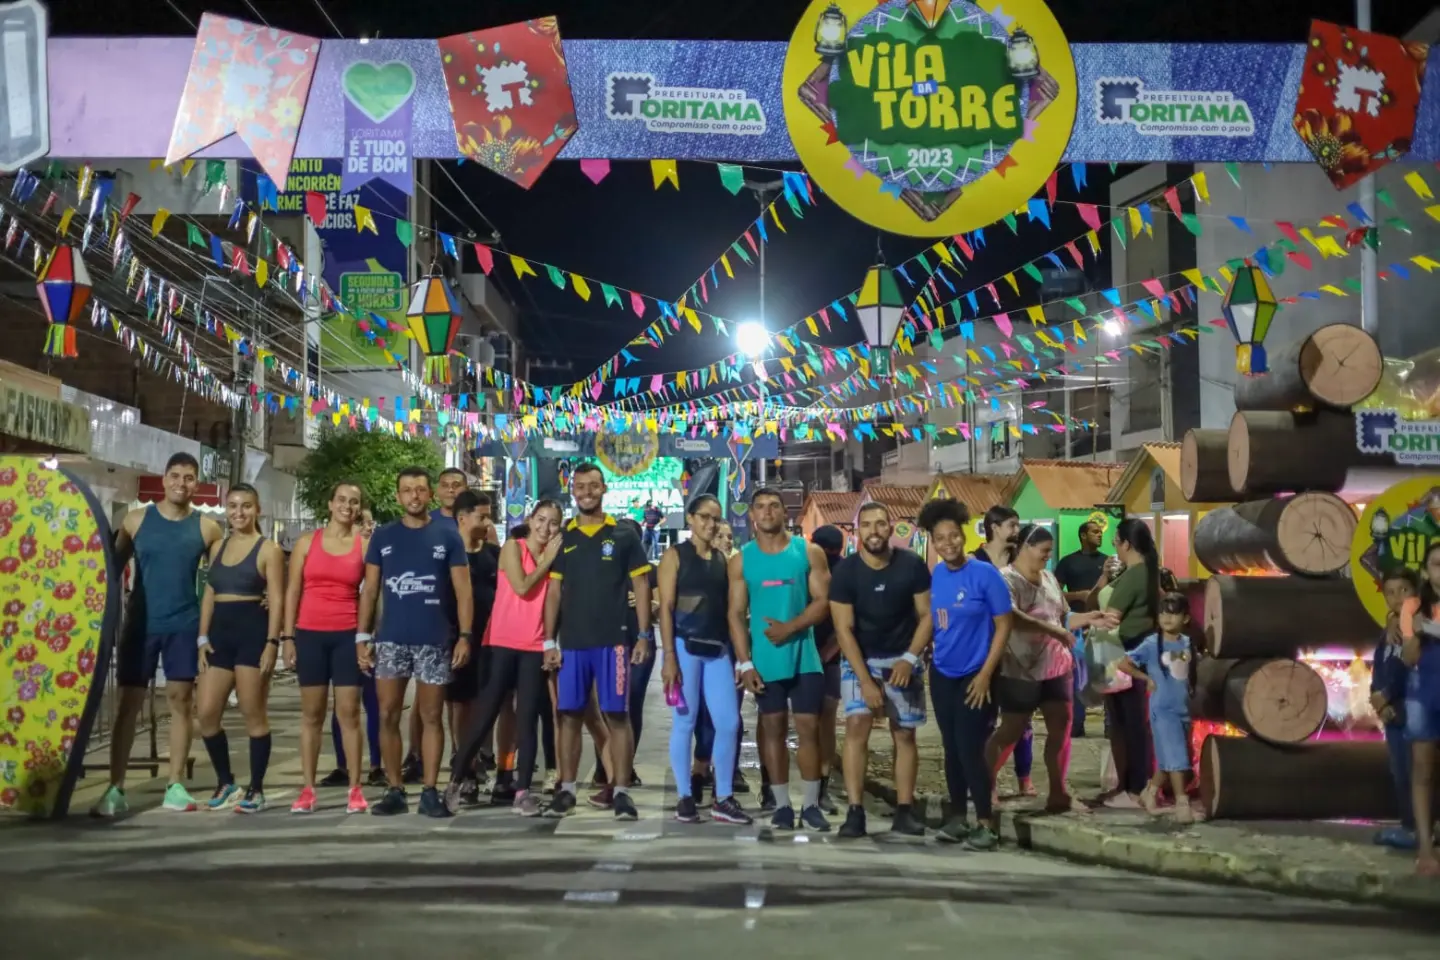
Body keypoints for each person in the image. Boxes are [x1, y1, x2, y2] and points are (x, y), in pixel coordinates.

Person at [92, 452, 225, 817]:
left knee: (182, 703)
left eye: (189, 477)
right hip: (140, 626)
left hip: (183, 625)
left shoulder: (207, 529)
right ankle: (115, 787)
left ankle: (175, 784)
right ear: (164, 480)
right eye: (175, 476)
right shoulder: (136, 521)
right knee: (127, 708)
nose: (181, 483)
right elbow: (105, 569)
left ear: (197, 484)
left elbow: (224, 581)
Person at [358, 467, 474, 818]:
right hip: (391, 640)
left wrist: (465, 636)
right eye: (407, 490)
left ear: (430, 495)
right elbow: (370, 590)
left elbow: (463, 591)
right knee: (388, 713)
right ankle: (394, 789)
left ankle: (428, 790)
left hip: (434, 640)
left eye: (420, 490)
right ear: (398, 496)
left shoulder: (448, 536)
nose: (414, 496)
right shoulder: (383, 536)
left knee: (431, 716)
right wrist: (363, 636)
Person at [543, 463, 652, 821]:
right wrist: (548, 640)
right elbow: (554, 591)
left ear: (604, 489)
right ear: (572, 490)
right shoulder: (564, 539)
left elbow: (640, 586)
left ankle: (621, 790)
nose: (586, 492)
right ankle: (567, 789)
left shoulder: (623, 535)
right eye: (580, 486)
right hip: (572, 644)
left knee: (617, 716)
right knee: (569, 716)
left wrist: (643, 635)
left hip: (614, 643)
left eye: (593, 485)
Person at [988, 525, 1114, 815]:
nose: (1047, 557)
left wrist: (1087, 619)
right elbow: (1010, 617)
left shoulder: (1049, 578)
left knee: (1061, 728)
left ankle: (1058, 792)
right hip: (1020, 667)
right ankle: (987, 785)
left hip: (1057, 666)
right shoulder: (1006, 579)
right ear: (1024, 548)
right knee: (1011, 730)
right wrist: (1053, 631)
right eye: (1043, 551)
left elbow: (1062, 616)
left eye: (1049, 552)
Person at [446, 500, 561, 816]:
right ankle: (457, 781)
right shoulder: (513, 547)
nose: (545, 528)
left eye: (552, 523)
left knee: (526, 720)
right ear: (530, 519)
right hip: (501, 643)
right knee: (484, 714)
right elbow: (522, 586)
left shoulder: (556, 558)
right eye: (540, 520)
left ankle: (522, 790)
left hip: (534, 645)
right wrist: (547, 561)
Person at [728, 487, 832, 832]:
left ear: (785, 512)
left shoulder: (809, 552)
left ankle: (812, 805)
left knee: (809, 730)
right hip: (765, 662)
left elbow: (822, 602)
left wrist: (792, 627)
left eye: (774, 505)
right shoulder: (741, 560)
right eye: (760, 506)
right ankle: (783, 804)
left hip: (805, 657)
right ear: (752, 516)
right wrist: (744, 663)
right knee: (771, 730)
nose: (768, 511)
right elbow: (736, 613)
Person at [830, 503, 932, 838]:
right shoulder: (846, 572)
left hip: (902, 658)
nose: (874, 531)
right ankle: (855, 811)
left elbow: (927, 616)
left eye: (881, 524)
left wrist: (909, 658)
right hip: (860, 659)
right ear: (857, 531)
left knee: (904, 733)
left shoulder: (913, 565)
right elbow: (843, 630)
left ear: (891, 528)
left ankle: (905, 809)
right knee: (858, 724)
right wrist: (865, 680)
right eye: (867, 525)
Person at [917, 497, 1010, 849]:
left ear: (964, 534)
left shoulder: (985, 575)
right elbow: (934, 622)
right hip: (943, 675)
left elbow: (1004, 626)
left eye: (953, 535)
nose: (948, 543)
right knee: (951, 748)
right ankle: (957, 818)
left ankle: (985, 823)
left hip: (977, 676)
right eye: (940, 538)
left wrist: (986, 673)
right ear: (933, 542)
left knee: (971, 749)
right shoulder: (937, 574)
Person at [660, 494, 751, 825]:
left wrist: (741, 659)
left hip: (717, 651)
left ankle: (723, 797)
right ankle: (685, 796)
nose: (710, 524)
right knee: (685, 721)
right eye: (704, 517)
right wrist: (668, 656)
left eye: (715, 518)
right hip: (685, 648)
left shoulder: (723, 561)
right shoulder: (674, 556)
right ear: (690, 519)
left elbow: (731, 612)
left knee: (728, 722)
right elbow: (666, 610)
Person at [195, 484, 284, 814]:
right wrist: (202, 637)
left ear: (257, 509)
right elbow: (209, 593)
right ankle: (225, 781)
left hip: (252, 635)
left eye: (246, 506)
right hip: (219, 636)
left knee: (252, 713)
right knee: (205, 713)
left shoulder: (268, 550)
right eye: (233, 506)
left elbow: (277, 599)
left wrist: (272, 643)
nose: (239, 513)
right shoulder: (217, 546)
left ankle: (256, 789)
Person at [284, 481, 371, 815]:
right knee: (312, 715)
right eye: (342, 500)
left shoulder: (364, 546)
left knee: (348, 714)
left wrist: (366, 637)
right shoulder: (308, 542)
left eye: (354, 501)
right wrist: (287, 637)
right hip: (309, 635)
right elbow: (293, 591)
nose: (347, 506)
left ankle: (355, 788)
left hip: (347, 635)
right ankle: (307, 789)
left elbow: (371, 593)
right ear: (330, 503)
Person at [1092, 518, 1160, 808]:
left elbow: (1111, 615)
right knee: (1128, 722)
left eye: (1116, 542)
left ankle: (1135, 789)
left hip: (1123, 650)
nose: (1114, 548)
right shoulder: (1146, 572)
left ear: (1127, 544)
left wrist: (1088, 627)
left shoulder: (1135, 575)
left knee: (1129, 723)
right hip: (1129, 647)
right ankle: (1132, 786)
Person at [443, 492, 502, 805]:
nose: (487, 522)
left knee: (486, 703)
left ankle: (481, 757)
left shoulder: (496, 554)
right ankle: (462, 763)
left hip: (491, 642)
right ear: (462, 518)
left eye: (488, 515)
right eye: (482, 516)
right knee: (458, 704)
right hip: (456, 640)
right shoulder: (448, 556)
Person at [1117, 592, 1195, 824]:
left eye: (1174, 613)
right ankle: (1182, 802)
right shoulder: (1152, 644)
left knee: (1169, 756)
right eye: (1163, 613)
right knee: (1177, 755)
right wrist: (1145, 678)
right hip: (1162, 708)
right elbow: (1124, 662)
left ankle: (1149, 792)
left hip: (1183, 706)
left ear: (1186, 618)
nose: (1167, 618)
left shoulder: (1188, 642)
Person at [971, 505, 1033, 791]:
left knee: (1022, 720)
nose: (1016, 531)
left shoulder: (1020, 560)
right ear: (994, 527)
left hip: (1018, 652)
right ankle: (987, 783)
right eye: (1011, 525)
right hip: (983, 652)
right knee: (984, 721)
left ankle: (1025, 778)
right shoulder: (974, 561)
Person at [1371, 567, 1419, 849]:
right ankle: (1408, 826)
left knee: (1416, 772)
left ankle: (1417, 828)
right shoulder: (1388, 629)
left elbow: (1408, 669)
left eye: (1404, 590)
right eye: (1390, 592)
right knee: (1400, 771)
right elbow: (1380, 667)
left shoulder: (1417, 627)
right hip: (1392, 715)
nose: (1397, 597)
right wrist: (1377, 699)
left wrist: (1386, 697)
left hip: (1409, 711)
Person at [1400, 540, 1440, 876]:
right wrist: (1418, 633)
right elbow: (1407, 657)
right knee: (1423, 770)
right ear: (1426, 571)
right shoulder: (1413, 606)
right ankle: (1425, 848)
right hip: (1423, 694)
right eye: (1437, 564)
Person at [1054, 520, 1109, 737]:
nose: (1099, 535)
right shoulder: (1068, 563)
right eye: (1095, 532)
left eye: (1100, 532)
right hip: (1076, 628)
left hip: (1102, 626)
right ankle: (1076, 725)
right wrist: (1079, 595)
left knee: (1106, 676)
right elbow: (1056, 594)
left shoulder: (1107, 563)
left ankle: (1110, 726)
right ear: (1083, 536)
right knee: (1077, 678)